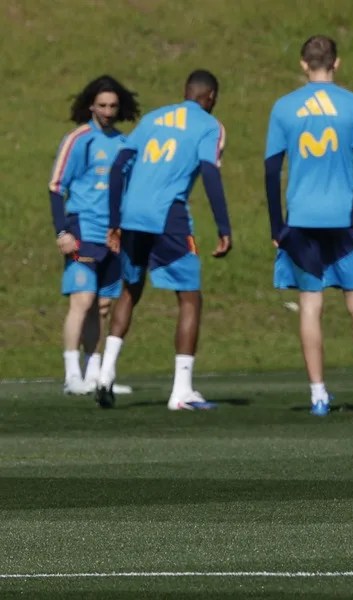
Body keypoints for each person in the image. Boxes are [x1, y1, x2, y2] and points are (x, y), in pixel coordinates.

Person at [265, 35, 353, 417]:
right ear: (336, 63)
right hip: (343, 218)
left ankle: (318, 396)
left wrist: (277, 225)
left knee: (310, 305)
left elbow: (271, 170)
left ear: (303, 64)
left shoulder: (284, 108)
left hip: (301, 218)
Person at [95, 70, 233, 410]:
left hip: (131, 216)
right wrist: (224, 226)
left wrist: (114, 221)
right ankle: (182, 390)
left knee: (130, 290)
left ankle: (104, 372)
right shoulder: (209, 126)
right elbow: (211, 173)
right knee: (190, 298)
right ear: (211, 97)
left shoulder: (154, 118)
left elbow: (118, 168)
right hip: (167, 217)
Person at [49, 76, 139, 397]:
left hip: (113, 235)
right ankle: (71, 374)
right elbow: (57, 186)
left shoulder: (125, 144)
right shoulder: (78, 139)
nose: (107, 111)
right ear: (91, 105)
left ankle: (95, 373)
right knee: (82, 299)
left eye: (113, 106)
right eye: (102, 105)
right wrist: (62, 230)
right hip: (82, 229)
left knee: (102, 306)